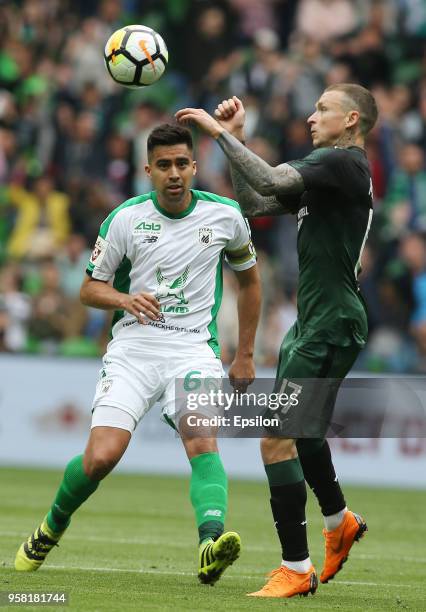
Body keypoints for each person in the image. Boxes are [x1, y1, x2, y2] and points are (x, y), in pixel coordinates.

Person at [15, 124, 261, 585]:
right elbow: (89, 289)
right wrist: (125, 300)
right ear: (148, 170)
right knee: (102, 457)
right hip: (133, 349)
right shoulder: (124, 219)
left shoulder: (225, 215)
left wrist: (245, 353)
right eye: (163, 165)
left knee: (202, 437)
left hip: (193, 349)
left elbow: (250, 281)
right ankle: (51, 527)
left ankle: (210, 543)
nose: (174, 174)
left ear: (194, 166)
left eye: (182, 164)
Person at [176, 82, 377, 598]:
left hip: (329, 323)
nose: (312, 117)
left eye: (323, 109)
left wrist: (220, 133)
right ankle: (339, 522)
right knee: (303, 434)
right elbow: (255, 201)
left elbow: (265, 174)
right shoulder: (327, 175)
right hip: (313, 323)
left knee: (276, 439)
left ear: (351, 120)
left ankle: (296, 567)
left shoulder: (343, 164)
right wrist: (239, 135)